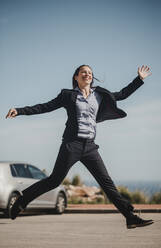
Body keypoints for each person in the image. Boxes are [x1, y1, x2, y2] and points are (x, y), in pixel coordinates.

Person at [6, 64, 153, 229]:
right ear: (76, 77)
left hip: (90, 147)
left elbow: (122, 95)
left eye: (90, 72)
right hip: (72, 145)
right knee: (54, 180)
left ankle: (130, 217)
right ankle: (21, 201)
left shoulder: (100, 94)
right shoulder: (68, 95)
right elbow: (45, 107)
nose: (87, 74)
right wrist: (19, 111)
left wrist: (139, 79)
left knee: (107, 183)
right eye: (83, 72)